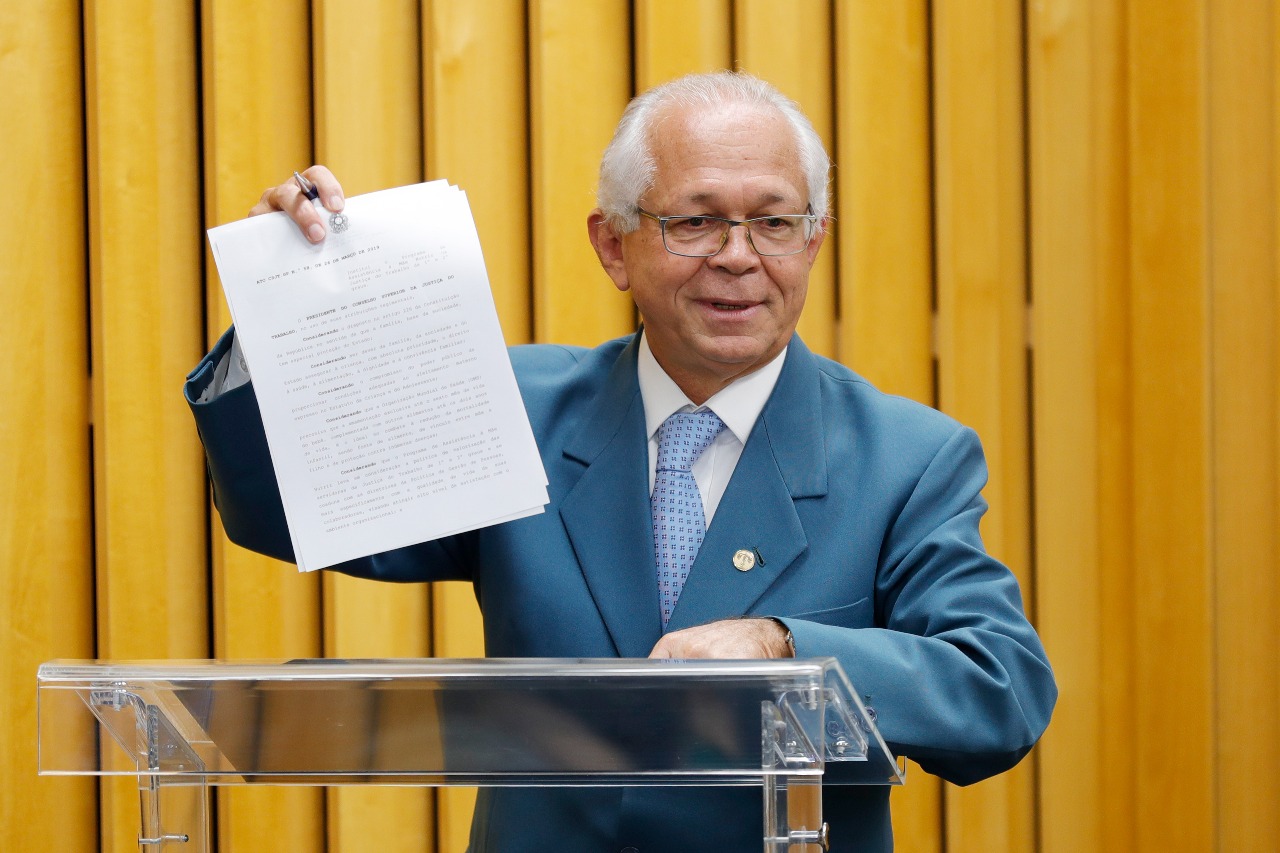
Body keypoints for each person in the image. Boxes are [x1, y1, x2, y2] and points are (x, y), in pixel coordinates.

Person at [186, 71, 1055, 852]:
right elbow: (286, 513)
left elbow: (1000, 689)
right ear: (614, 245)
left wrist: (789, 649)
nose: (740, 255)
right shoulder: (514, 406)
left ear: (815, 240)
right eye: (697, 220)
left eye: (775, 221)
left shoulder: (908, 456)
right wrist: (281, 307)